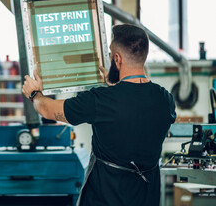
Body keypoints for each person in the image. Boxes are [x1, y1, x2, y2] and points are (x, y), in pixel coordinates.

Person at [22, 23, 176, 206]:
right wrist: (114, 87)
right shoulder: (165, 99)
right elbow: (134, 107)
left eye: (111, 54)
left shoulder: (100, 100)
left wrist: (34, 94)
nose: (110, 58)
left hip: (106, 197)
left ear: (117, 59)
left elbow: (47, 109)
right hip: (146, 198)